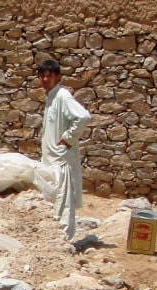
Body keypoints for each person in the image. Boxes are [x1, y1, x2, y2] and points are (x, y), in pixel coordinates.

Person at [37, 59, 91, 242]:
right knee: (55, 198)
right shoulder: (51, 96)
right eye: (42, 76)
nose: (45, 79)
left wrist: (68, 137)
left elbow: (83, 116)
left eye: (49, 76)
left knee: (64, 199)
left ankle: (64, 240)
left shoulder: (62, 96)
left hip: (61, 159)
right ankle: (55, 238)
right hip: (52, 158)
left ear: (57, 77)